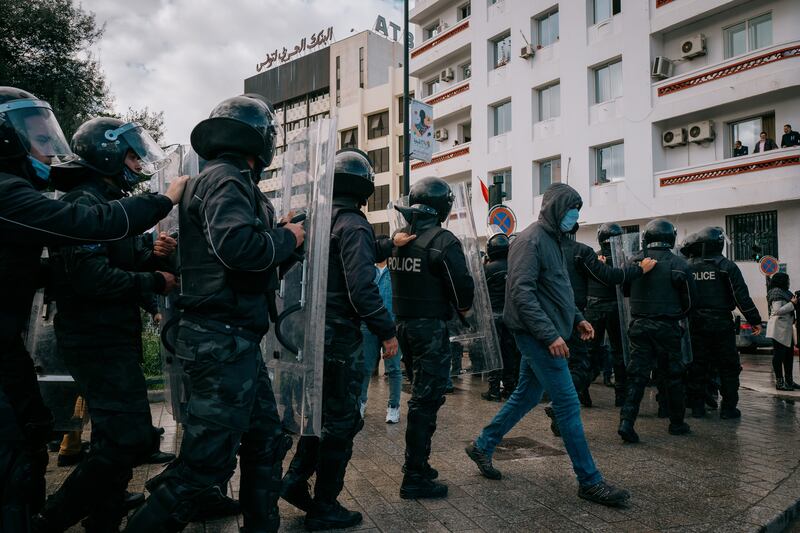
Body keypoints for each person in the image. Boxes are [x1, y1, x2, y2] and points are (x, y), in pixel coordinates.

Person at [0, 86, 186, 530]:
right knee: (29, 450)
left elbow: (67, 264)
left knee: (32, 434)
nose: (49, 151)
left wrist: (144, 251)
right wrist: (165, 203)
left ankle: (86, 514)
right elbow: (89, 236)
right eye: (39, 139)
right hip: (91, 336)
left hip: (17, 342)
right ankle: (48, 520)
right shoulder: (21, 194)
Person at [124, 94, 305, 533]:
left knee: (266, 439)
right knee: (204, 466)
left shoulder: (227, 179)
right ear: (261, 141)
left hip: (234, 340)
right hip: (220, 342)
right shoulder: (226, 180)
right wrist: (290, 240)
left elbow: (242, 260)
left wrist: (281, 237)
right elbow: (240, 250)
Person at [464, 183, 630, 508]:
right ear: (556, 209)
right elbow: (521, 294)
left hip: (550, 331)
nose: (576, 216)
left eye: (578, 211)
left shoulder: (556, 240)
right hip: (538, 335)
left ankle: (483, 445)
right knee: (568, 404)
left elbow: (559, 289)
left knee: (525, 396)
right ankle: (590, 481)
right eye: (572, 210)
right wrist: (550, 335)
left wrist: (577, 318)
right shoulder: (530, 240)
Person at [280, 149, 401, 531]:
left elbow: (344, 258)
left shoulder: (315, 222)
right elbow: (362, 290)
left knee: (322, 417)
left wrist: (390, 243)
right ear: (363, 187)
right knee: (343, 422)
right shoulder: (354, 224)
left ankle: (295, 480)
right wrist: (387, 331)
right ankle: (324, 506)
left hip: (311, 332)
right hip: (340, 336)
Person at [389, 177, 474, 500]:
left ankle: (419, 465)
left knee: (421, 398)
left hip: (405, 327)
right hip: (430, 331)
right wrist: (464, 307)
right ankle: (414, 476)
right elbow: (462, 288)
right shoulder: (443, 241)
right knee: (426, 401)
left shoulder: (401, 239)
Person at [544, 223, 654, 435]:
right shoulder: (591, 255)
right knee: (613, 354)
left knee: (585, 360)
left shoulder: (554, 251)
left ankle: (574, 401)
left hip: (574, 312)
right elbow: (611, 277)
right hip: (587, 312)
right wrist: (640, 269)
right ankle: (575, 401)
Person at [618, 219, 696, 443]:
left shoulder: (635, 261)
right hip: (668, 327)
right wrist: (678, 317)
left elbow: (625, 290)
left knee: (636, 376)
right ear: (670, 238)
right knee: (673, 376)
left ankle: (626, 422)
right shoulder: (679, 264)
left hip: (640, 325)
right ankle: (677, 423)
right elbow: (691, 301)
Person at [681, 227, 762, 419]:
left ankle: (698, 408)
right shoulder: (727, 266)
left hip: (695, 323)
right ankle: (728, 409)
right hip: (721, 323)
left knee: (697, 365)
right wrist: (755, 320)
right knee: (728, 367)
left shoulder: (687, 266)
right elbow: (741, 296)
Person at [585, 223, 651, 408]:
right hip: (615, 308)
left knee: (591, 352)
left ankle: (582, 390)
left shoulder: (592, 257)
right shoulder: (624, 259)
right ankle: (620, 394)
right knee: (619, 352)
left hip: (594, 308)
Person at [358, 259, 404, 424]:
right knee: (365, 367)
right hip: (368, 325)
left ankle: (394, 406)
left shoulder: (397, 269)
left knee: (393, 368)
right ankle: (361, 402)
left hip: (392, 326)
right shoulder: (368, 268)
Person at [481, 232, 521, 402]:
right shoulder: (515, 266)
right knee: (510, 352)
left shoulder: (487, 269)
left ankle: (494, 390)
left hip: (493, 316)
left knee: (493, 353)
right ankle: (510, 388)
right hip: (510, 316)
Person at [766, 273, 797, 391]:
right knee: (779, 356)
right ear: (782, 280)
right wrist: (792, 304)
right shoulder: (776, 292)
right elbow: (777, 310)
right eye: (787, 280)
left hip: (787, 328)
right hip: (778, 329)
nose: (789, 282)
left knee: (789, 355)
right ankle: (779, 382)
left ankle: (789, 381)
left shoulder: (786, 292)